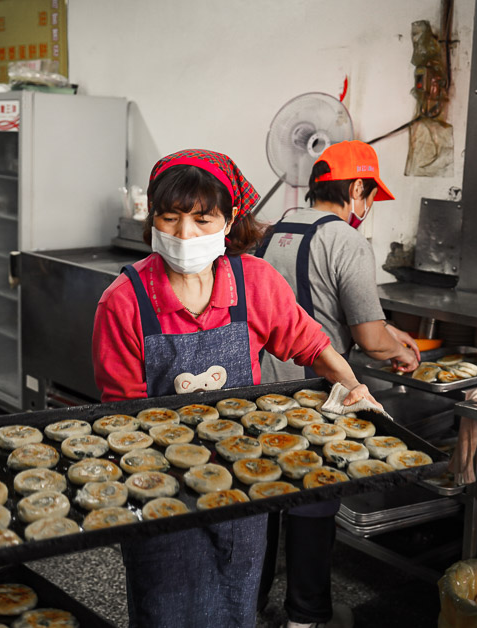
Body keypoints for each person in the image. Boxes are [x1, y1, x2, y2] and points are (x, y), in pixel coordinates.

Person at [92, 149, 380, 628]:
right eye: (170, 218)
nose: (185, 235)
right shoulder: (124, 301)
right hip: (159, 489)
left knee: (236, 598)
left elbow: (309, 342)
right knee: (166, 604)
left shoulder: (254, 283)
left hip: (241, 480)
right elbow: (120, 416)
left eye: (203, 220)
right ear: (153, 222)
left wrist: (353, 386)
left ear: (229, 222)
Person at [255, 140, 420, 628]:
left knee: (262, 498)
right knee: (313, 497)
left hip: (260, 389)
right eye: (368, 195)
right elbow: (368, 338)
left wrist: (395, 332)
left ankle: (247, 604)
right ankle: (306, 617)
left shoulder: (270, 231)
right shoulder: (347, 241)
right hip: (314, 391)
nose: (367, 207)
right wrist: (400, 349)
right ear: (354, 189)